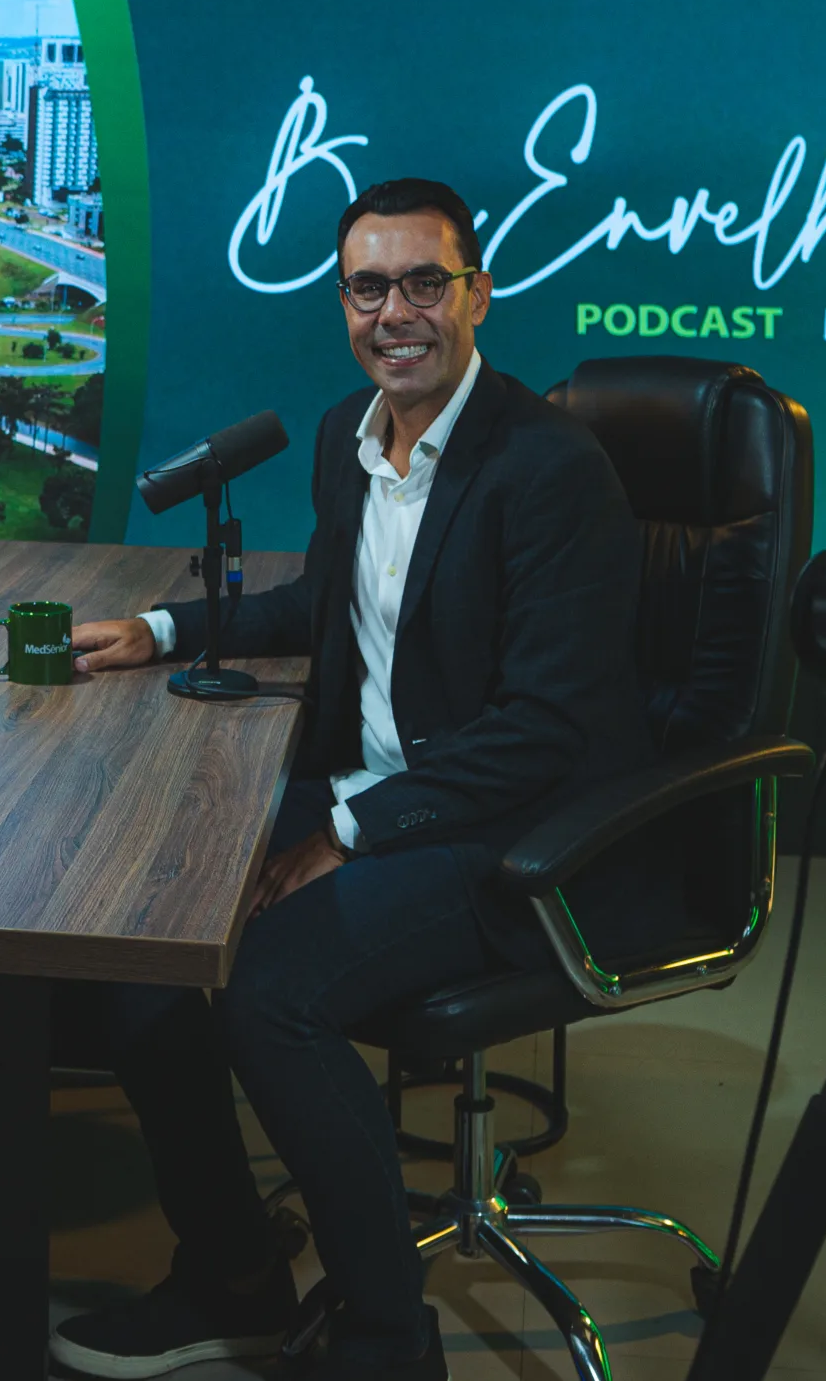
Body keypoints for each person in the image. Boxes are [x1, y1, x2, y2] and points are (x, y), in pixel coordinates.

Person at [47, 180, 661, 1381]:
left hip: (512, 831)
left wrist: (344, 827)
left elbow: (543, 732)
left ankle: (387, 1343)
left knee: (268, 986)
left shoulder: (548, 469)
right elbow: (324, 605)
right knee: (143, 937)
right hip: (378, 793)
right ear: (342, 304)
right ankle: (232, 1274)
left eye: (424, 283)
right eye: (367, 288)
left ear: (476, 295)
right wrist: (165, 630)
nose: (396, 312)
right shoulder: (349, 433)